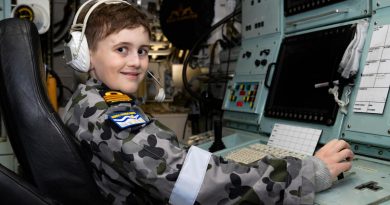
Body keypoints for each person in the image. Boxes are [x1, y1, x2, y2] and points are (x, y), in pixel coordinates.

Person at [61, 0, 354, 204]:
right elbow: (194, 183)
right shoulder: (109, 115)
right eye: (121, 49)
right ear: (84, 56)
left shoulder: (88, 101)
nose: (136, 62)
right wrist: (307, 173)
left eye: (142, 50)